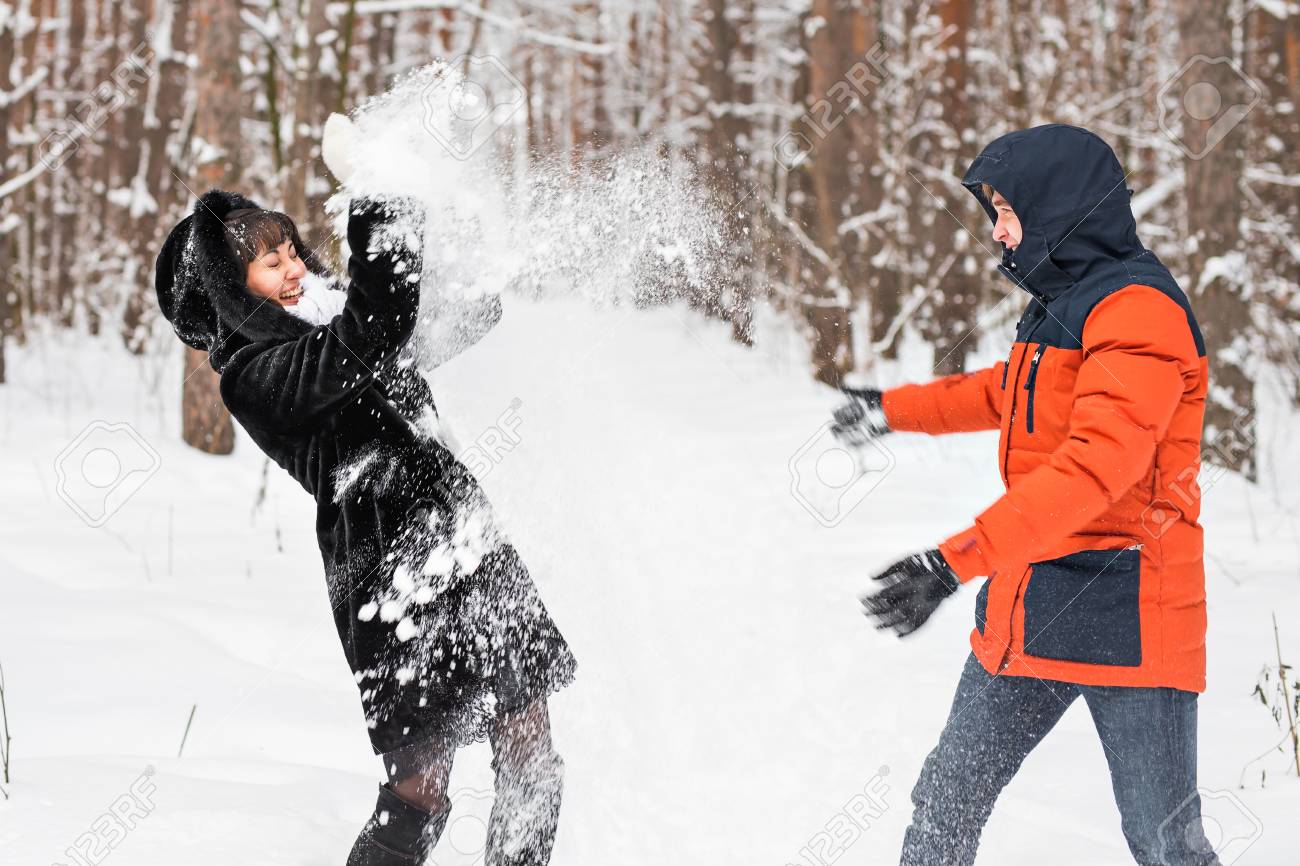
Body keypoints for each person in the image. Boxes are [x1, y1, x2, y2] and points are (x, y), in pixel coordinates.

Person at [832, 124, 1221, 866]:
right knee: (947, 799)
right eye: (997, 211)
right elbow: (1006, 393)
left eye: (1010, 209)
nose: (998, 230)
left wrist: (953, 563)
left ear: (1063, 208)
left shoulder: (1140, 314)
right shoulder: (1065, 301)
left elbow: (1093, 470)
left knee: (1165, 842)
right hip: (1035, 596)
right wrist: (893, 409)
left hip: (1131, 614)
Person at [154, 188, 575, 866]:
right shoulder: (253, 373)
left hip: (465, 537)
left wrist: (459, 245)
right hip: (388, 572)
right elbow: (368, 336)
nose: (292, 268)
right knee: (420, 790)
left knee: (531, 744)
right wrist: (381, 217)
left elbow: (440, 321)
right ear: (228, 293)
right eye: (268, 264)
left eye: (290, 251)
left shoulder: (327, 321)